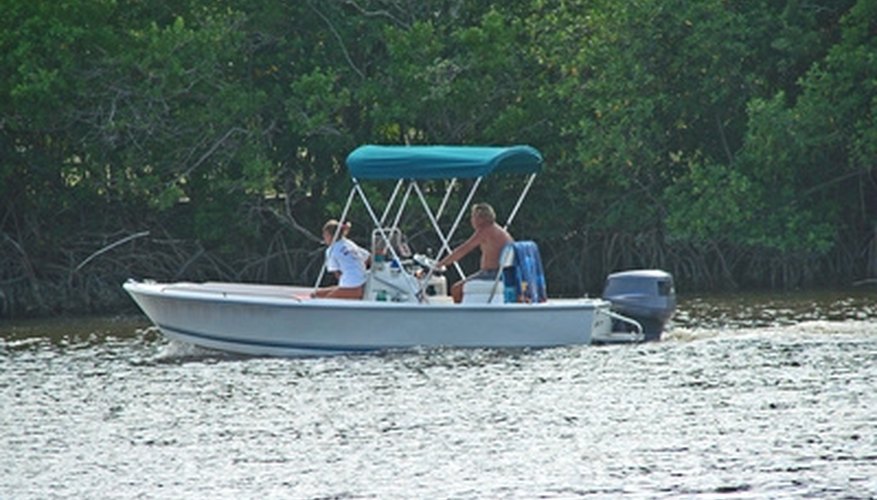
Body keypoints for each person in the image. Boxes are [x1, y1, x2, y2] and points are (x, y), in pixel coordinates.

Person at [437, 203, 514, 303]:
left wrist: (440, 264)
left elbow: (463, 249)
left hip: (493, 274)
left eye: (473, 216)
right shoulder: (496, 230)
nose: (471, 220)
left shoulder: (485, 231)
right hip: (498, 273)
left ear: (481, 218)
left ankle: (461, 316)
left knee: (456, 289)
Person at [313, 219, 370, 299]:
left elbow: (337, 274)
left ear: (330, 236)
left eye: (325, 235)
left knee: (326, 300)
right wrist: (360, 271)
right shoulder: (349, 243)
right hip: (362, 284)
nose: (323, 237)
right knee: (316, 294)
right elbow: (368, 257)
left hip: (352, 287)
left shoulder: (330, 250)